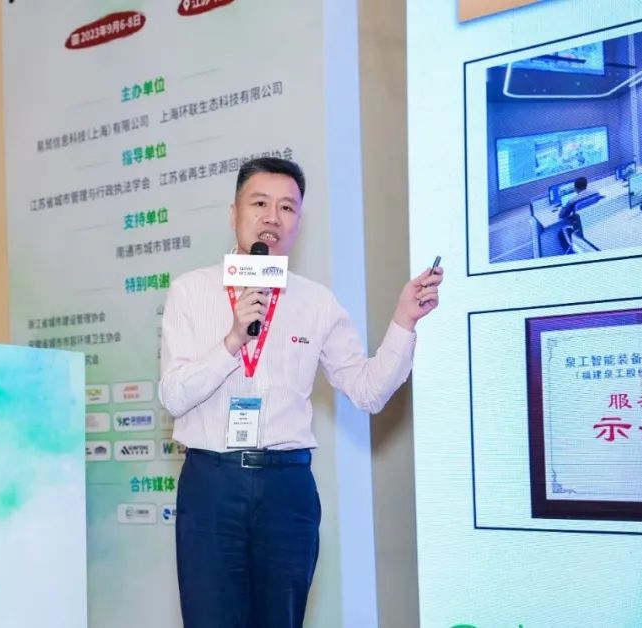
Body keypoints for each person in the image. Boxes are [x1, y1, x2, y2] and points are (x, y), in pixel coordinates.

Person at [158, 157, 442, 628]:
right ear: (234, 213)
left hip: (285, 488)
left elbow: (368, 391)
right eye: (260, 203)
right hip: (212, 484)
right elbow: (173, 395)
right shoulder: (191, 291)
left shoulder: (316, 302)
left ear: (298, 223)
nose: (273, 217)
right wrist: (233, 340)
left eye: (287, 208)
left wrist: (404, 320)